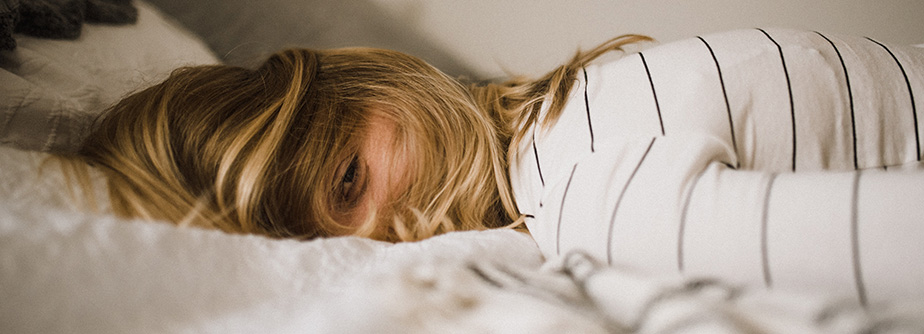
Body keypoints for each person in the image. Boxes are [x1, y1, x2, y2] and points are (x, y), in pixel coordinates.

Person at [69, 27, 924, 291]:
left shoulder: (572, 152)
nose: (381, 240)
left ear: (375, 83)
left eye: (347, 181)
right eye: (331, 242)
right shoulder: (582, 186)